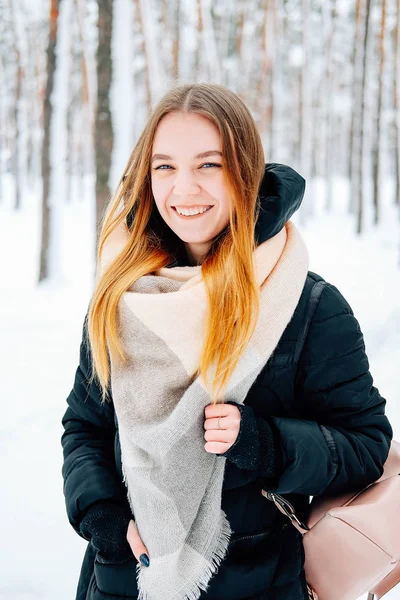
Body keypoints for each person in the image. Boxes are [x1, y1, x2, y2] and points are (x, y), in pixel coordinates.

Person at [61, 82, 393, 600]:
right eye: (165, 166)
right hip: (127, 580)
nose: (183, 189)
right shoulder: (123, 296)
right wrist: (102, 516)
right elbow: (85, 428)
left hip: (258, 581)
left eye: (208, 165)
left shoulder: (306, 305)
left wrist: (266, 443)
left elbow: (366, 446)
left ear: (245, 171)